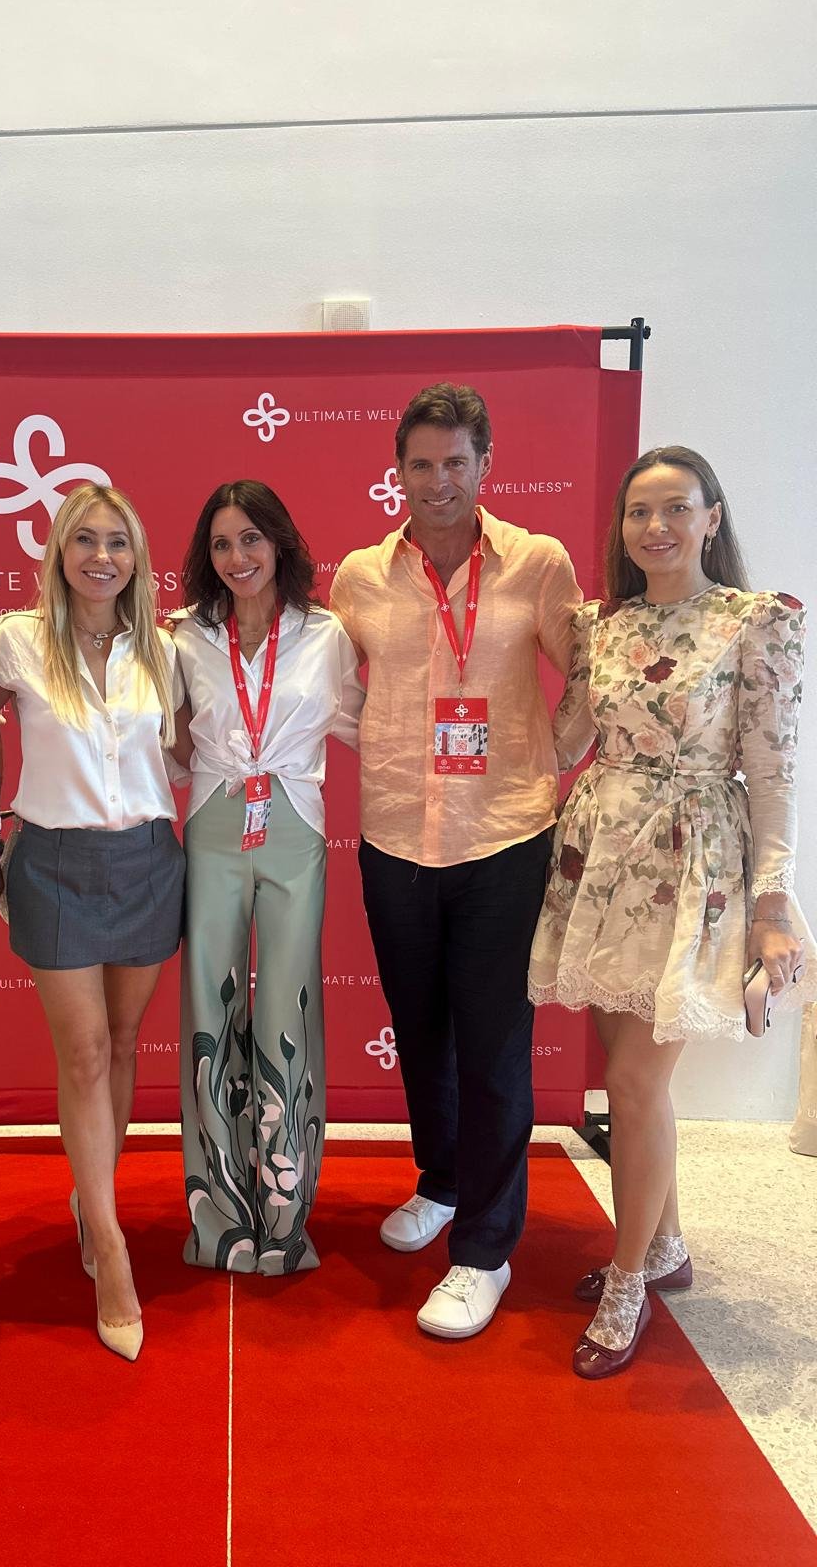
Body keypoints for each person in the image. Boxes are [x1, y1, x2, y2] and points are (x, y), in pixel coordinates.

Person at [528, 446, 812, 1378]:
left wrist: (773, 901)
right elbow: (567, 739)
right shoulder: (603, 624)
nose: (655, 527)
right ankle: (665, 1246)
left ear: (711, 518)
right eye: (639, 512)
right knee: (630, 1077)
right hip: (602, 859)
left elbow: (774, 773)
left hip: (693, 871)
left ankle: (626, 1282)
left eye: (676, 508)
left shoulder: (754, 622)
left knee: (634, 1085)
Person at [330, 382, 582, 1340]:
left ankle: (484, 1248)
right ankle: (441, 1182)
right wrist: (383, 742)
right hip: (396, 836)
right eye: (421, 464)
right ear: (397, 472)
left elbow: (591, 672)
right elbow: (328, 685)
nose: (438, 481)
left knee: (494, 1045)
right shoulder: (361, 576)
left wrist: (549, 756)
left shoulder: (538, 563)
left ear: (485, 466)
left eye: (455, 463)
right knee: (421, 1031)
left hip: (504, 838)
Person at [0, 482, 187, 1361]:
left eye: (117, 542)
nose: (101, 557)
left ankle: (91, 1195)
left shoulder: (163, 649)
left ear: (137, 558)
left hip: (146, 860)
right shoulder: (19, 641)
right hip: (55, 864)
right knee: (84, 1052)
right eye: (85, 540)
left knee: (124, 1040)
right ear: (59, 552)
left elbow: (185, 753)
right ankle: (109, 1248)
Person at [170, 481, 364, 1274]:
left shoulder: (326, 633)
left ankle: (285, 1221)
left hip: (295, 827)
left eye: (251, 539)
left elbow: (365, 722)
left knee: (289, 1007)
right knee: (209, 1009)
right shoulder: (185, 635)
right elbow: (168, 742)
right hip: (213, 823)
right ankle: (220, 1216)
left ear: (280, 542)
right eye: (221, 544)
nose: (237, 557)